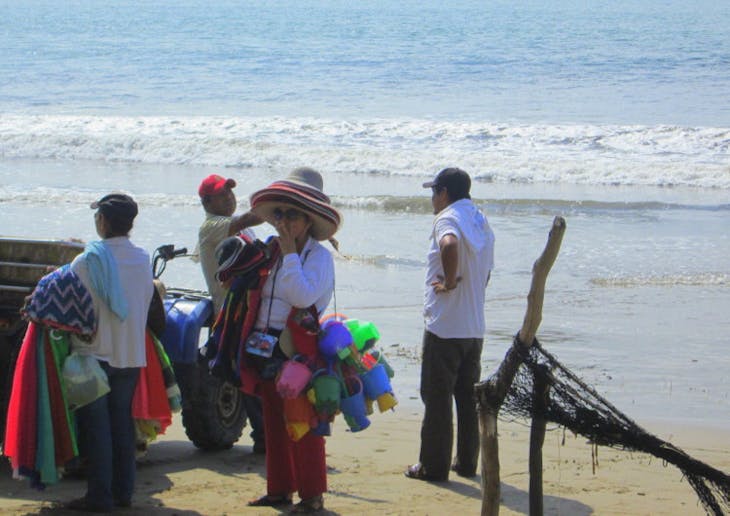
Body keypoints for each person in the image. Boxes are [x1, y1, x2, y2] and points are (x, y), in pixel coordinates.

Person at [246, 167, 341, 513]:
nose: (283, 221)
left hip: (300, 350)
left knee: (303, 421)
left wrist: (288, 253)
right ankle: (279, 490)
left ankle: (312, 496)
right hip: (266, 344)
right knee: (272, 421)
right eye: (280, 213)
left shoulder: (318, 258)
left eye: (292, 215)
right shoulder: (272, 252)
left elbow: (301, 296)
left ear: (308, 221)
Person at [65, 193, 154, 511]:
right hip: (130, 355)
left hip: (94, 355)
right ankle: (123, 493)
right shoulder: (142, 258)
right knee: (122, 425)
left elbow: (74, 307)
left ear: (102, 221)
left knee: (97, 429)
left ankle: (100, 496)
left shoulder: (87, 261)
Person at [406, 167, 495, 482]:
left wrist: (450, 282)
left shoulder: (447, 218)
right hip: (474, 326)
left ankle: (433, 465)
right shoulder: (480, 221)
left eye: (434, 192)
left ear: (444, 193)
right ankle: (467, 462)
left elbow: (448, 245)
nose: (432, 199)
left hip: (445, 327)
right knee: (466, 397)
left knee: (436, 394)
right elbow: (485, 273)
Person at [192, 173, 266, 454]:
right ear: (207, 201)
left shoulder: (238, 230)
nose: (230, 198)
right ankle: (263, 437)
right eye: (223, 195)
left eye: (231, 193)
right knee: (245, 374)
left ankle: (263, 434)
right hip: (231, 311)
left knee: (250, 371)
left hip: (249, 308)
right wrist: (273, 207)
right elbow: (245, 220)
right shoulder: (213, 226)